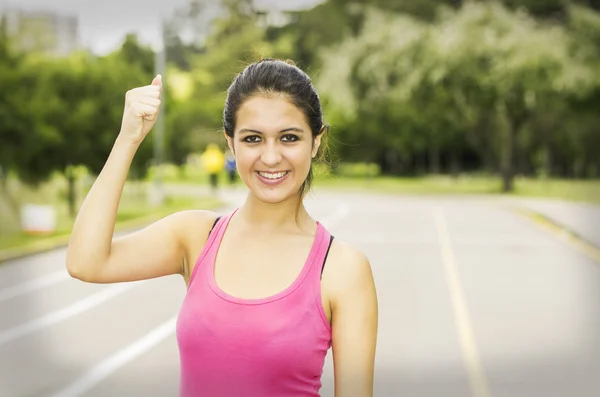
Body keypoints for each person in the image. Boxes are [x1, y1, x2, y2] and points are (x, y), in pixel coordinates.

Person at [66, 59, 378, 397]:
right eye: (253, 138)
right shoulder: (195, 236)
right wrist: (128, 139)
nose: (271, 157)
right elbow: (86, 262)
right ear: (231, 144)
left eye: (289, 137)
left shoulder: (343, 269)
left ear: (315, 142)